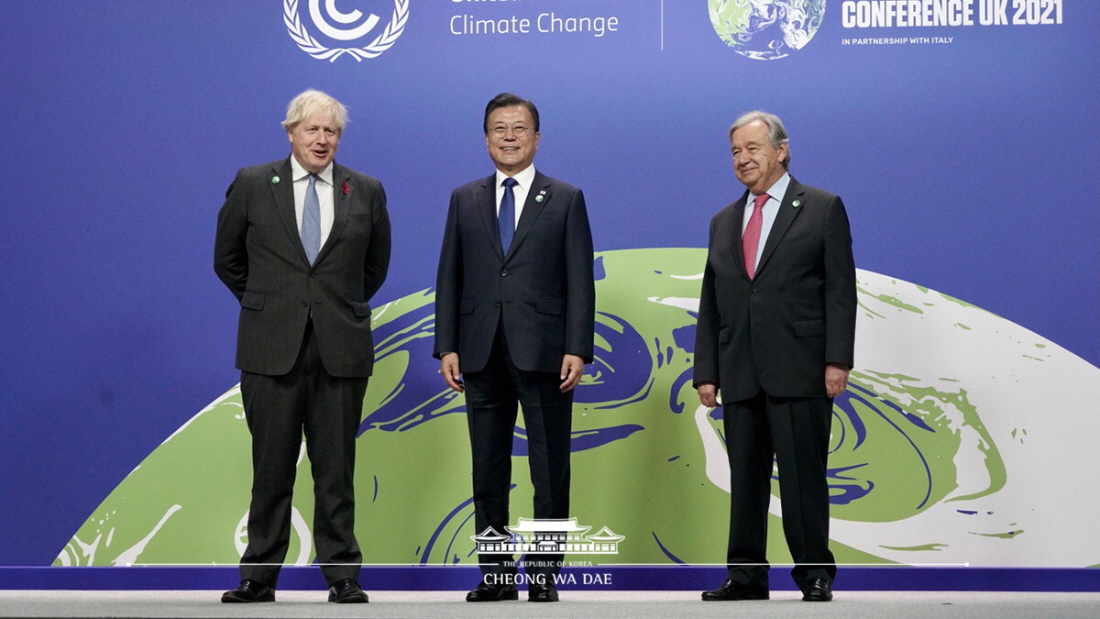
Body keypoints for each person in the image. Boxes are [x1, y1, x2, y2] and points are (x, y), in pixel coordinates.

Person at [214, 89, 391, 604]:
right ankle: (258, 576)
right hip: (271, 348)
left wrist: (332, 308)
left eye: (330, 131)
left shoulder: (367, 190)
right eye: (311, 129)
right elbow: (227, 260)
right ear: (290, 132)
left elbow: (373, 269)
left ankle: (342, 576)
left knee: (336, 470)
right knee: (270, 468)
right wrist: (273, 305)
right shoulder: (252, 183)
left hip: (341, 348)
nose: (321, 139)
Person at [434, 93, 595, 603]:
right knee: (488, 468)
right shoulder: (465, 198)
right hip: (480, 351)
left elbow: (579, 281)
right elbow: (450, 277)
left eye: (518, 128)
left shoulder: (566, 197)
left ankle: (545, 572)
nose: (508, 136)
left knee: (549, 468)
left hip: (546, 352)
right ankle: (497, 575)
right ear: (486, 138)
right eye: (498, 128)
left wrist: (578, 347)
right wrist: (447, 347)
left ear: (537, 138)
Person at [693, 111, 856, 603]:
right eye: (736, 151)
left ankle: (813, 574)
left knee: (804, 478)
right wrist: (707, 370)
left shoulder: (823, 208)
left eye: (753, 148)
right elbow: (712, 300)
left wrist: (837, 361)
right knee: (745, 481)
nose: (743, 159)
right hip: (739, 370)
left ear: (781, 150)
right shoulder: (723, 220)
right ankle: (745, 577)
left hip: (800, 368)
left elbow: (840, 293)